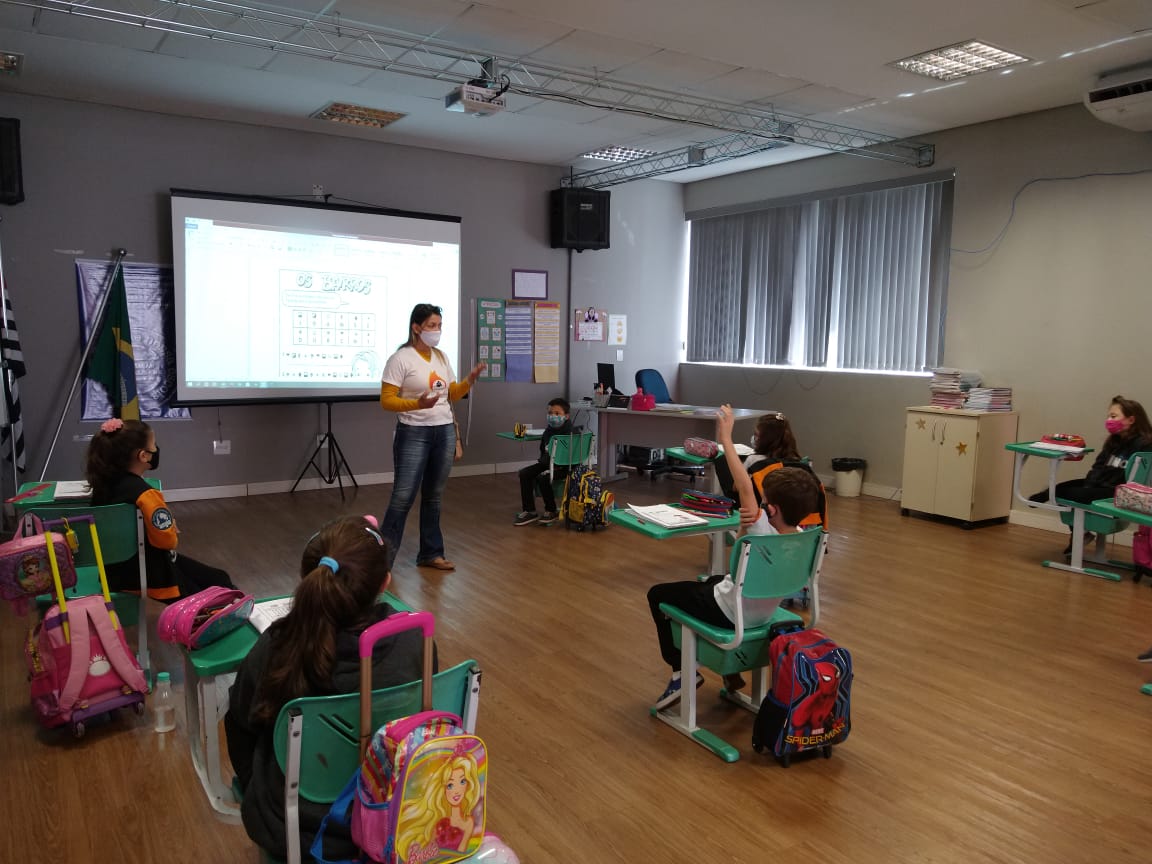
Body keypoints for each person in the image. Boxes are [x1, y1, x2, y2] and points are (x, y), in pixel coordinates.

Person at [225, 516, 430, 861]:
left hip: (295, 829)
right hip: (396, 817)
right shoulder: (416, 644)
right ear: (385, 584)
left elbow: (240, 727)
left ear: (309, 580)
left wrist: (258, 792)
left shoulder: (277, 647)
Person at [646, 404, 820, 709]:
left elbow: (743, 484)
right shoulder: (806, 537)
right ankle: (730, 674)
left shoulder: (760, 528)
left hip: (728, 611)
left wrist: (725, 437)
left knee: (658, 594)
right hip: (763, 611)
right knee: (714, 579)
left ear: (772, 508)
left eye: (764, 499)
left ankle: (680, 671)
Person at [378, 303, 485, 572]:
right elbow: (387, 401)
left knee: (434, 496)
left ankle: (431, 553)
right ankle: (381, 563)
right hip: (413, 432)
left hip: (444, 430)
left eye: (439, 326)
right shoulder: (401, 358)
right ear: (416, 327)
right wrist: (417, 405)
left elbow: (452, 394)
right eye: (431, 326)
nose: (436, 331)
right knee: (402, 497)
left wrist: (469, 380)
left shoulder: (441, 356)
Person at [85, 417, 235, 601]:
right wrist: (170, 525)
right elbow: (167, 542)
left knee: (217, 578)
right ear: (143, 455)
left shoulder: (101, 486)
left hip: (113, 574)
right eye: (153, 445)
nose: (156, 449)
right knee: (219, 586)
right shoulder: (146, 495)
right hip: (153, 575)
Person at [1029, 395, 1152, 553]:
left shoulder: (1145, 445)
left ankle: (1081, 533)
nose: (1109, 420)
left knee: (1066, 493)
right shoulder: (1113, 441)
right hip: (1101, 484)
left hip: (1117, 491)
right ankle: (1081, 532)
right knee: (1060, 488)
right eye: (1109, 416)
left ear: (1131, 419)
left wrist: (1091, 487)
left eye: (1114, 416)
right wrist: (1089, 485)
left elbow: (1136, 478)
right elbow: (1098, 466)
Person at [395, 752, 483, 858]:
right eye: (450, 785)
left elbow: (461, 853)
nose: (457, 790)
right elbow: (429, 851)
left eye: (462, 781)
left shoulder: (468, 822)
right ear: (443, 789)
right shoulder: (439, 823)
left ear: (469, 784)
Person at [513, 397, 574, 526]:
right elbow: (543, 451)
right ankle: (529, 511)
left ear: (566, 416)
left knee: (543, 477)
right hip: (547, 463)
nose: (553, 416)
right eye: (550, 413)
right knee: (524, 473)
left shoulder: (571, 433)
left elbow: (571, 457)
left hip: (564, 468)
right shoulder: (548, 431)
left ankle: (551, 510)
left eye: (557, 413)